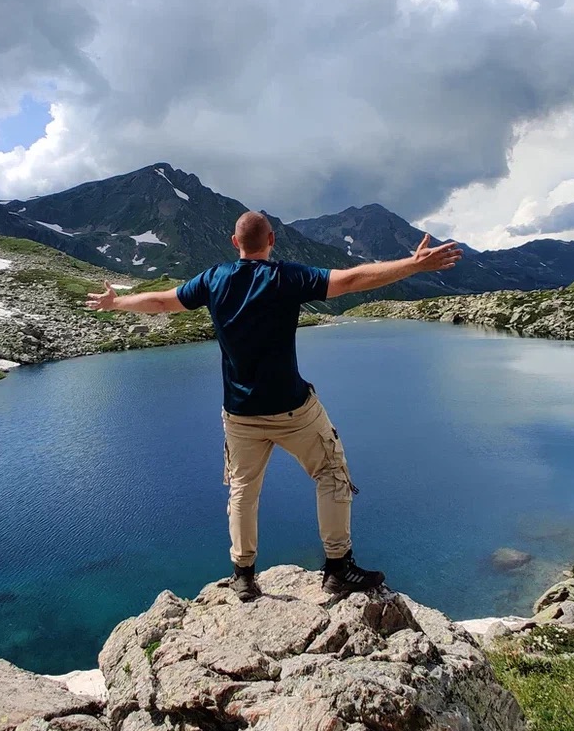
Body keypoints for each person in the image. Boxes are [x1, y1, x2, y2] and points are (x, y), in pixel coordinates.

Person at [85, 211, 462, 601]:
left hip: (239, 414)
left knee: (243, 490)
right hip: (293, 409)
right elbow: (351, 279)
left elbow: (163, 302)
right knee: (332, 474)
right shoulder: (286, 277)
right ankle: (338, 568)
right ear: (271, 240)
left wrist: (117, 303)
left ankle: (244, 576)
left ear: (235, 242)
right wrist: (414, 265)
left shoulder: (213, 280)